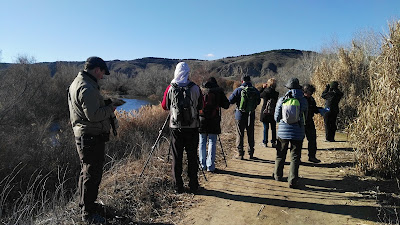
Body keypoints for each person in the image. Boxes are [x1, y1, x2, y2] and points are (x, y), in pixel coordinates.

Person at [68, 56, 118, 223]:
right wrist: (110, 108)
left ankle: (87, 205)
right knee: (91, 174)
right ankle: (88, 214)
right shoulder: (87, 87)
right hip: (90, 136)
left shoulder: (79, 83)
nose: (102, 77)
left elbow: (87, 110)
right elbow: (93, 115)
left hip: (86, 135)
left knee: (87, 172)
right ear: (97, 70)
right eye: (102, 73)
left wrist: (103, 104)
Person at [162, 62, 203, 194]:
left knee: (177, 157)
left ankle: (178, 186)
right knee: (192, 156)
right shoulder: (195, 88)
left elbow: (164, 106)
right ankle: (193, 185)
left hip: (176, 128)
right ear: (187, 73)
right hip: (192, 127)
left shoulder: (170, 87)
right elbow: (200, 106)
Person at [273, 78, 308, 188]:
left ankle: (278, 175)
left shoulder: (282, 99)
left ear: (288, 87)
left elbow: (276, 117)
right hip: (298, 132)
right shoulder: (303, 100)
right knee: (295, 156)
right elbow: (305, 117)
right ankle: (292, 180)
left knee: (280, 154)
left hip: (283, 132)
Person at [198, 77, 230, 172]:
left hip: (201, 119)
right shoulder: (218, 91)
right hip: (214, 120)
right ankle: (210, 166)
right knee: (212, 141)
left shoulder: (201, 91)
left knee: (202, 141)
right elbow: (226, 105)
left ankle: (202, 165)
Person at [228, 75, 261, 160]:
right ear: (250, 81)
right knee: (250, 133)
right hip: (251, 114)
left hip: (240, 115)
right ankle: (251, 153)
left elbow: (230, 101)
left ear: (242, 81)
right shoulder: (255, 90)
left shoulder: (238, 90)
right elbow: (258, 102)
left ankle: (240, 154)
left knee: (240, 134)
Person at [303, 84, 321, 163]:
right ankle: (297, 159)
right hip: (301, 122)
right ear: (305, 91)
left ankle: (312, 156)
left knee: (312, 139)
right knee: (299, 141)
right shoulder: (301, 99)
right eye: (310, 93)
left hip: (309, 121)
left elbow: (314, 109)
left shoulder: (311, 99)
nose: (311, 94)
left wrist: (320, 110)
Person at [259, 78, 279, 148]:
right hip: (273, 112)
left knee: (265, 127)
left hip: (265, 112)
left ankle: (265, 142)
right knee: (273, 128)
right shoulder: (276, 93)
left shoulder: (265, 92)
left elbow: (259, 95)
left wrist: (262, 88)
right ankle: (273, 142)